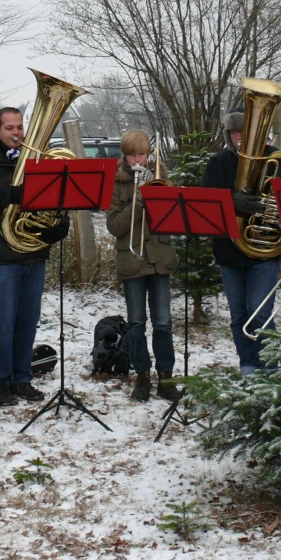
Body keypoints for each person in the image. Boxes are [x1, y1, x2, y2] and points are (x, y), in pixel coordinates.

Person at [0, 107, 68, 407]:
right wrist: (12, 193)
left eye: (20, 127)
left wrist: (57, 229)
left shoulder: (37, 162)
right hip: (0, 256)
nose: (16, 133)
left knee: (28, 320)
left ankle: (22, 378)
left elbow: (57, 203)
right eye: (9, 128)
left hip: (33, 254)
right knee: (5, 321)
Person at [202, 107, 281, 375]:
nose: (241, 136)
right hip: (229, 252)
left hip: (264, 252)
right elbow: (206, 203)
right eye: (235, 132)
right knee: (239, 316)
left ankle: (269, 367)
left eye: (245, 131)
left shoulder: (278, 161)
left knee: (260, 314)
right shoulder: (217, 163)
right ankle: (248, 366)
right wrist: (230, 200)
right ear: (228, 134)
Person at [104, 130, 179, 402]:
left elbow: (174, 219)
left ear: (149, 155)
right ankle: (142, 377)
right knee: (136, 323)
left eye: (143, 154)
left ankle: (166, 378)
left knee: (163, 323)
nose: (139, 159)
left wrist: (158, 193)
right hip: (131, 259)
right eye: (133, 154)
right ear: (124, 155)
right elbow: (114, 226)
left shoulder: (161, 179)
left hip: (159, 258)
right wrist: (137, 200)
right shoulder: (117, 184)